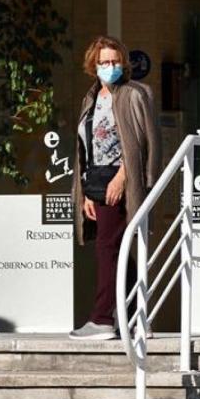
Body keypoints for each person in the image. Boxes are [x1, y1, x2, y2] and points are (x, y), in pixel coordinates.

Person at [70, 36, 161, 341]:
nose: (110, 67)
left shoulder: (136, 93)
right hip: (95, 181)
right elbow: (85, 147)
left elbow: (144, 141)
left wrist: (122, 177)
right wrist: (85, 193)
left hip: (120, 179)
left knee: (107, 248)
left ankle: (102, 318)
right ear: (93, 65)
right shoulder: (91, 97)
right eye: (103, 62)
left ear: (123, 63)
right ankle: (135, 316)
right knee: (119, 249)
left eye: (114, 61)